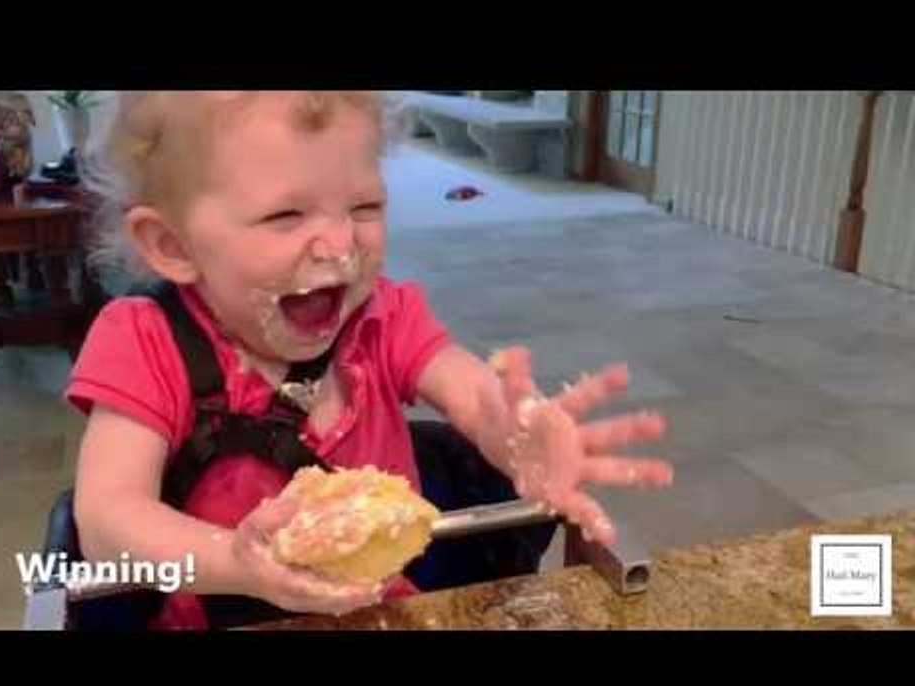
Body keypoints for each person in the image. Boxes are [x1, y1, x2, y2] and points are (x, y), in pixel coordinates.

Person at [66, 91, 674, 630]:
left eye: (364, 208)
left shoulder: (383, 319)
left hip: (385, 609)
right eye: (286, 215)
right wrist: (236, 562)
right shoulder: (144, 343)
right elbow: (106, 519)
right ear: (173, 246)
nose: (341, 247)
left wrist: (518, 434)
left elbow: (469, 390)